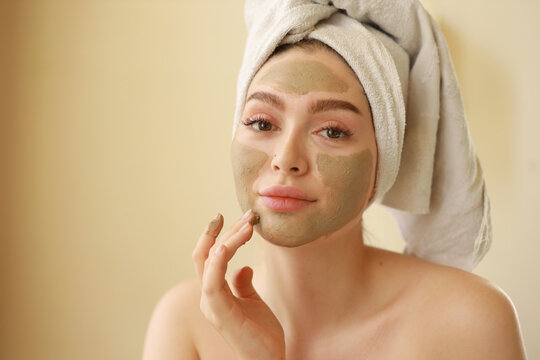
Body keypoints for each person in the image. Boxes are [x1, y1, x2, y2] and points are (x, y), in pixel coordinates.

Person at [143, 1, 527, 359]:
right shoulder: (184, 323)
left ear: (384, 161)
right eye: (262, 123)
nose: (286, 159)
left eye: (332, 131)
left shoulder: (469, 323)